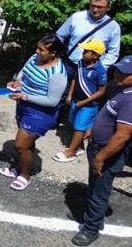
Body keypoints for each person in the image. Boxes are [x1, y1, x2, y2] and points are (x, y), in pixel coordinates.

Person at [70, 55, 132, 246]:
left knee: (99, 191)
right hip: (97, 147)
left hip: (108, 153)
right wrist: (92, 128)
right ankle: (93, 217)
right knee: (95, 185)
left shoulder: (130, 100)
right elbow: (106, 113)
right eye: (117, 70)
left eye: (124, 73)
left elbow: (122, 136)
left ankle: (91, 229)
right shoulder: (119, 90)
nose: (118, 74)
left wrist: (101, 157)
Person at [0, 35, 68, 191]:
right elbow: (24, 73)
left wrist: (25, 96)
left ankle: (25, 175)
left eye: (42, 50)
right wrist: (17, 82)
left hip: (40, 113)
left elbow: (52, 100)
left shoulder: (58, 73)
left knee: (20, 145)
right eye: (37, 47)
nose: (37, 51)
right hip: (23, 106)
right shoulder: (35, 58)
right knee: (26, 145)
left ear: (53, 53)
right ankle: (18, 168)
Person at [53, 40, 107, 163]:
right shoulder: (81, 63)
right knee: (73, 122)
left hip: (88, 105)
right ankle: (80, 146)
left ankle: (70, 152)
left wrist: (84, 102)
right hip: (76, 101)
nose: (83, 53)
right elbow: (75, 79)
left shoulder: (100, 71)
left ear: (95, 55)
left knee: (79, 128)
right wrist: (70, 95)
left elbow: (101, 91)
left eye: (86, 51)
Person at [56, 0, 121, 71]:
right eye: (92, 6)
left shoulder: (113, 27)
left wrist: (101, 68)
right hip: (70, 66)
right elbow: (59, 37)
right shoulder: (77, 17)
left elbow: (113, 52)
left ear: (108, 8)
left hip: (93, 70)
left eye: (99, 7)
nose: (95, 9)